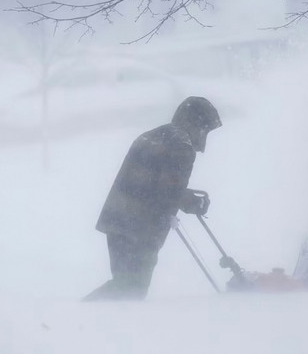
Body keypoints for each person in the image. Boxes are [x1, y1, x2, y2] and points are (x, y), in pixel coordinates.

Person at [83, 96, 222, 301]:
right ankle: (78, 315)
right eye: (205, 130)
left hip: (117, 221)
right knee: (131, 290)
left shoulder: (153, 135)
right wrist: (193, 203)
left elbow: (155, 183)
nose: (203, 141)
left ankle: (89, 319)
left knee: (125, 285)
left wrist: (184, 198)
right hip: (141, 228)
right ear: (195, 124)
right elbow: (168, 191)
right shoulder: (182, 145)